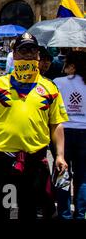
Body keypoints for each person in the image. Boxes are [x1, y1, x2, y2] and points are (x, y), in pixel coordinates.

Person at [0, 32, 68, 220]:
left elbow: (56, 123)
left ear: (38, 56)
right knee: (1, 210)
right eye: (23, 50)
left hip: (35, 161)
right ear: (14, 54)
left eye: (32, 50)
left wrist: (60, 155)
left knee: (29, 210)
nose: (28, 54)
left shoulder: (50, 88)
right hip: (3, 160)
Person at [53, 51, 86, 219]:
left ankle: (64, 214)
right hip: (84, 132)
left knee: (63, 173)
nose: (63, 67)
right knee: (82, 177)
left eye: (66, 64)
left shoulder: (58, 82)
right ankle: (81, 214)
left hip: (63, 131)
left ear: (72, 66)